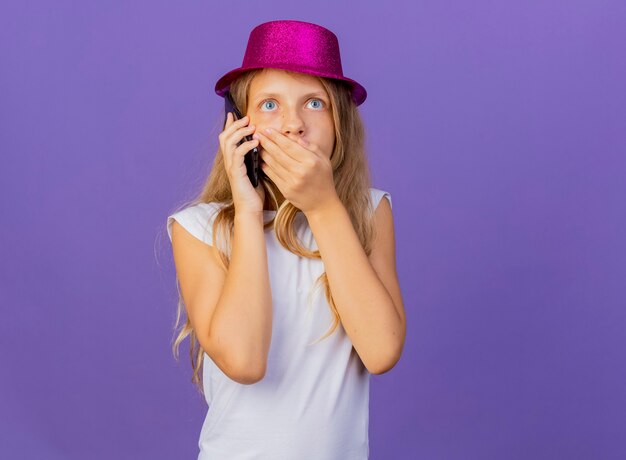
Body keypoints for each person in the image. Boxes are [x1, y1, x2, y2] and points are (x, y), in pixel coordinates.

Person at [166, 19, 406, 460]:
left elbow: (381, 349)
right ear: (238, 125)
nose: (294, 125)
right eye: (270, 104)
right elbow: (245, 361)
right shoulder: (198, 227)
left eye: (314, 103)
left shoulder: (369, 212)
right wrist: (249, 210)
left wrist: (323, 207)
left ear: (340, 124)